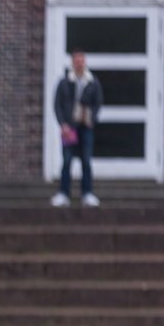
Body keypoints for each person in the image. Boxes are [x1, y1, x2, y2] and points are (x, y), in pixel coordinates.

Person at [52, 49, 103, 208]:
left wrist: (91, 119)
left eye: (81, 60)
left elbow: (98, 103)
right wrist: (63, 124)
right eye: (76, 60)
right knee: (67, 160)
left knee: (86, 160)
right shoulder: (64, 82)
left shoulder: (93, 82)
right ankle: (63, 193)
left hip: (85, 128)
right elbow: (57, 105)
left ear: (85, 61)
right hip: (70, 128)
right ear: (72, 62)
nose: (79, 63)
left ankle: (87, 193)